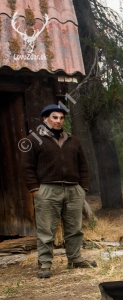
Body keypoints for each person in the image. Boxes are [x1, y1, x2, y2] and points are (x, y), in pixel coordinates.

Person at [21, 104, 97, 279]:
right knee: (46, 229)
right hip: (47, 190)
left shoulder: (73, 140)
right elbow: (27, 168)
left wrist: (82, 188)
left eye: (61, 118)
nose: (58, 121)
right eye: (54, 117)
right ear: (45, 119)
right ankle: (45, 264)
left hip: (73, 189)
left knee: (74, 227)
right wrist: (35, 190)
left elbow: (83, 166)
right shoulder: (34, 140)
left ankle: (75, 259)